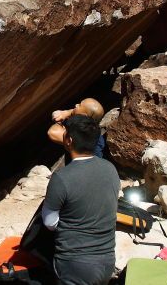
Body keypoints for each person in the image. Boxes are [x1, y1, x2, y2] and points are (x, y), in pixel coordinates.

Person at [41, 115, 121, 285]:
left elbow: (50, 222)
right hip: (107, 261)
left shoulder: (62, 177)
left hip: (74, 264)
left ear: (69, 140)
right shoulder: (110, 169)